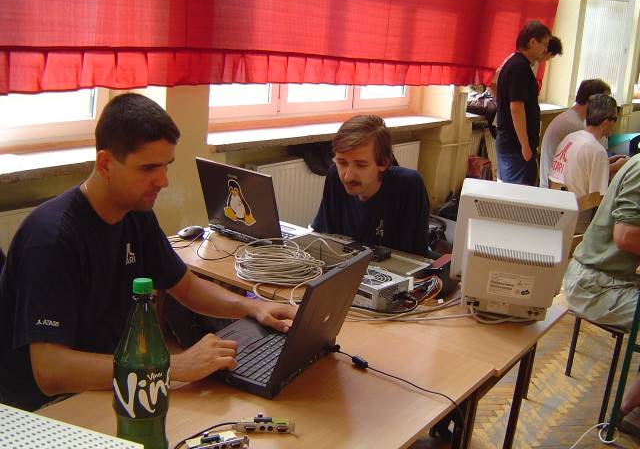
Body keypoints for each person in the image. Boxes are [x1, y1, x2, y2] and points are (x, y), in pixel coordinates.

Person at [0, 93, 296, 411]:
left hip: (112, 380)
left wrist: (252, 307)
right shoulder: (51, 239)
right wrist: (171, 366)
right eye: (148, 168)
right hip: (45, 406)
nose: (163, 181)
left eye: (166, 166)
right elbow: (50, 371)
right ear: (105, 164)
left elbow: (186, 286)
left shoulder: (135, 214)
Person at [563, 154, 640, 436]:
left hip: (609, 277)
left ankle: (629, 405)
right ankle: (624, 408)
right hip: (594, 284)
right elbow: (626, 235)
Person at [311, 114, 430, 257]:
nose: (348, 176)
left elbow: (416, 257)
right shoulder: (334, 176)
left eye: (361, 165)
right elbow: (324, 237)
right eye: (342, 163)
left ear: (383, 163)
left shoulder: (408, 186)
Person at [548, 94, 627, 232]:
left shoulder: (571, 138)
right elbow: (598, 199)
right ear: (606, 122)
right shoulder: (597, 150)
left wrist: (607, 165)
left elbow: (578, 170)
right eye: (615, 118)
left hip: (554, 209)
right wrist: (620, 169)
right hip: (576, 220)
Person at [495, 20, 551, 185]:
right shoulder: (520, 68)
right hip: (516, 145)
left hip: (510, 142)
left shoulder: (514, 63)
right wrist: (525, 145)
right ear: (532, 42)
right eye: (543, 44)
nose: (545, 50)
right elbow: (516, 107)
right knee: (517, 193)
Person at [539, 79, 613, 189]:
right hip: (556, 189)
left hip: (553, 185)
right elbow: (582, 172)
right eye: (604, 101)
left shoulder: (570, 118)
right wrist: (612, 167)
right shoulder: (574, 126)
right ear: (591, 100)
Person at [490, 35, 563, 99]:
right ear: (549, 53)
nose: (547, 60)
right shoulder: (516, 61)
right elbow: (494, 84)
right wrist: (501, 104)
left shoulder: (534, 64)